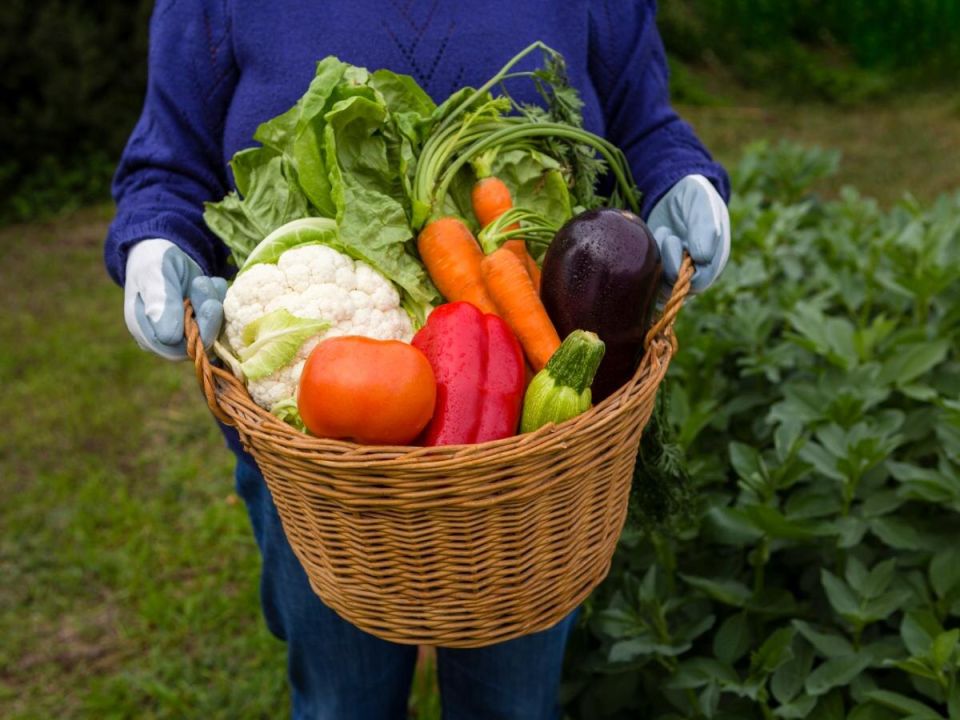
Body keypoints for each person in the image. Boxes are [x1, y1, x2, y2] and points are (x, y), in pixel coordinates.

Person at [105, 1, 731, 718]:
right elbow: (167, 170)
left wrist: (683, 179)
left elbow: (643, 125)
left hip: (534, 472)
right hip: (322, 477)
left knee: (514, 708)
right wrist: (157, 246)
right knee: (343, 703)